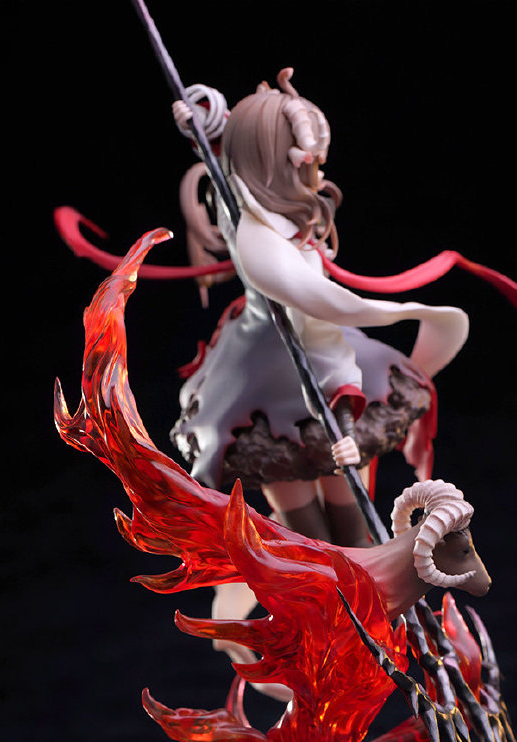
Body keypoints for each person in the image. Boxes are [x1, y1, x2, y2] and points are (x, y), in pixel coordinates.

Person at [171, 70, 468, 548]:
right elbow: (321, 312)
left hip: (314, 357)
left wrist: (205, 123)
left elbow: (234, 152)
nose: (317, 174)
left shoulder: (268, 210)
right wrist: (202, 124)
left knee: (348, 528)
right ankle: (323, 587)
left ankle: (359, 586)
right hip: (271, 371)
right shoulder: (251, 228)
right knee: (310, 537)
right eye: (308, 163)